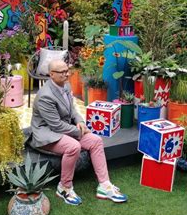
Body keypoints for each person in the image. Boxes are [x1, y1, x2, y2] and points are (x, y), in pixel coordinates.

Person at [30, 59, 128, 205]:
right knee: (73, 146)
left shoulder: (66, 85)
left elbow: (73, 110)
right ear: (51, 74)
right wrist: (79, 132)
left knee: (96, 140)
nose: (67, 74)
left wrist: (80, 122)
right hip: (47, 133)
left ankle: (104, 185)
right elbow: (56, 125)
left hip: (65, 128)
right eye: (62, 72)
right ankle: (64, 187)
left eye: (67, 70)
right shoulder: (45, 96)